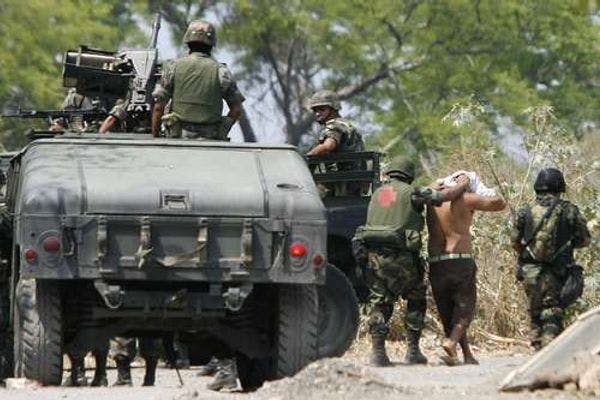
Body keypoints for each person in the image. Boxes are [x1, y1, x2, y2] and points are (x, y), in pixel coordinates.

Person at [353, 157, 470, 367]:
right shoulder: (413, 192)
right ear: (409, 175)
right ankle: (413, 351)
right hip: (403, 258)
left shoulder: (377, 192)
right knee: (416, 297)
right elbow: (445, 197)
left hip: (374, 258)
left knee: (380, 302)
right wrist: (463, 183)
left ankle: (378, 354)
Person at [426, 170, 506, 366]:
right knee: (465, 311)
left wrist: (439, 183)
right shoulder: (467, 199)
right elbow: (500, 202)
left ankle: (464, 354)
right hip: (460, 261)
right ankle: (452, 342)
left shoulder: (431, 202)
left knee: (448, 312)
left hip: (437, 262)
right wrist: (472, 184)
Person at [510, 168, 590, 349]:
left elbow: (514, 242)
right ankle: (549, 349)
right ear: (559, 186)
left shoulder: (525, 211)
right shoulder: (569, 210)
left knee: (535, 312)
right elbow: (584, 240)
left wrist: (530, 253)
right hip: (557, 271)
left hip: (530, 272)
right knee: (553, 312)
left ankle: (538, 348)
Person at [151, 20, 245, 139]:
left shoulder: (173, 67)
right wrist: (221, 132)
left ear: (188, 42)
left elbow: (159, 107)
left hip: (177, 139)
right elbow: (236, 110)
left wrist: (156, 136)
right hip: (210, 140)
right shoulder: (221, 72)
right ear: (212, 45)